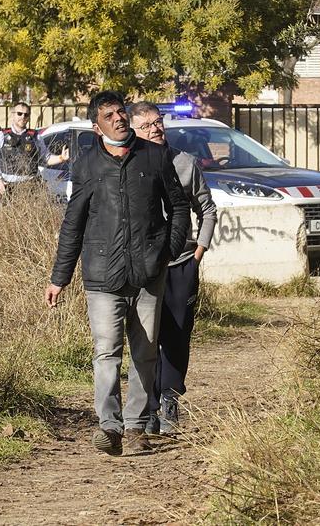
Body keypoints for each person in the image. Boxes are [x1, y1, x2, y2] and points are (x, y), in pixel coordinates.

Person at [45, 91, 190, 456]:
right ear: (97, 126)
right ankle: (108, 426)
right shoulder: (87, 164)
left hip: (148, 272)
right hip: (102, 275)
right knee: (107, 350)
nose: (119, 118)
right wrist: (59, 277)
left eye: (121, 112)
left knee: (145, 352)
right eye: (109, 115)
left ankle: (136, 428)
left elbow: (178, 206)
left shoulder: (155, 156)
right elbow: (73, 222)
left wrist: (168, 250)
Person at [128, 101, 217, 435]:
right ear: (134, 129)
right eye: (148, 125)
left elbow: (207, 209)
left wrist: (198, 253)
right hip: (143, 267)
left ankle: (169, 400)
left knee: (177, 335)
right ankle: (146, 407)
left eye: (159, 122)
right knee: (145, 336)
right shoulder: (131, 164)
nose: (157, 129)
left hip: (181, 263)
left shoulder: (184, 163)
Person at [0, 102, 68, 220]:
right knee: (9, 222)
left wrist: (61, 158)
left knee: (32, 221)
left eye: (26, 115)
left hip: (30, 187)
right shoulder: (1, 136)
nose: (23, 117)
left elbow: (45, 158)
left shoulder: (35, 137)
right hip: (8, 188)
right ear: (13, 115)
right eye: (19, 113)